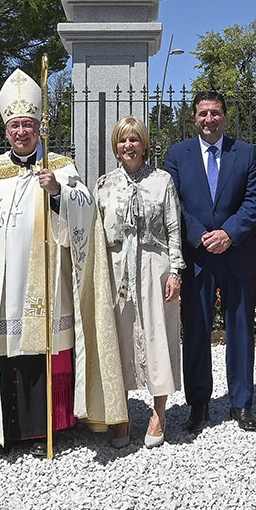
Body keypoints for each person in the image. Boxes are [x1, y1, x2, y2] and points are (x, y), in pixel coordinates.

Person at [0, 70, 126, 456]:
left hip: (47, 283)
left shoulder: (61, 166)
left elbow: (86, 217)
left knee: (40, 353)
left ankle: (41, 431)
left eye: (28, 125)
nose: (21, 132)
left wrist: (58, 193)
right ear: (6, 131)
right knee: (1, 352)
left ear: (39, 128)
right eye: (15, 125)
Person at [162, 90, 256, 433]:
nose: (210, 119)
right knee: (195, 331)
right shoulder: (178, 154)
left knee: (240, 329)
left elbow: (254, 202)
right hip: (197, 256)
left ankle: (241, 403)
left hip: (236, 254)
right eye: (203, 113)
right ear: (194, 117)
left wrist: (228, 234)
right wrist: (202, 236)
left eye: (216, 113)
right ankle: (199, 405)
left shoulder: (247, 153)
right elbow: (173, 202)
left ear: (225, 116)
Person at [96, 116, 184, 446]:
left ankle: (159, 413)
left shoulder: (162, 181)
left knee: (157, 335)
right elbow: (95, 231)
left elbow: (174, 228)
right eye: (122, 140)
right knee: (118, 338)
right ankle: (121, 416)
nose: (128, 146)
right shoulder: (104, 184)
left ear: (144, 144)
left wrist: (175, 271)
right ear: (115, 147)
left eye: (134, 140)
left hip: (153, 263)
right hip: (118, 266)